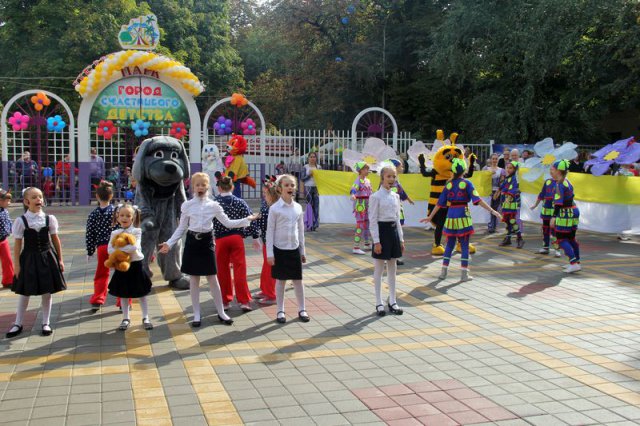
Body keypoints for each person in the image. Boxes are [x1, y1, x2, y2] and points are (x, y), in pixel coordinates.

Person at [159, 173, 258, 327]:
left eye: (203, 185)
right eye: (197, 185)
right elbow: (181, 228)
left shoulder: (214, 205)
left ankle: (221, 312)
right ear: (192, 187)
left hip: (207, 242)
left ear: (208, 187)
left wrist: (247, 220)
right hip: (192, 242)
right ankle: (197, 315)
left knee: (212, 278)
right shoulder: (187, 205)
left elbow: (228, 223)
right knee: (194, 279)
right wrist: (169, 243)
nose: (200, 187)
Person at [421, 159, 502, 281]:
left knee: (449, 245)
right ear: (464, 170)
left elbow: (439, 203)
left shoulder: (448, 185)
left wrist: (430, 217)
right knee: (464, 245)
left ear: (453, 171)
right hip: (463, 215)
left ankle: (443, 272)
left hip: (451, 216)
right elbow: (478, 200)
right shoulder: (467, 183)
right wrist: (493, 211)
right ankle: (464, 274)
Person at [6, 187, 66, 338]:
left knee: (47, 291)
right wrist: (17, 265)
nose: (38, 199)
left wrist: (60, 259)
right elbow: (18, 245)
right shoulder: (21, 221)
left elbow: (55, 240)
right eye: (34, 197)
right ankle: (18, 323)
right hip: (29, 259)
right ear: (26, 202)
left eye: (40, 196)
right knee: (24, 292)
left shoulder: (49, 219)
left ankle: (46, 322)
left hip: (47, 257)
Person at [213, 176, 261, 312]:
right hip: (236, 238)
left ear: (219, 188)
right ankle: (244, 301)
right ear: (232, 187)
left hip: (220, 239)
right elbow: (250, 218)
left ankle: (225, 301)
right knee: (240, 269)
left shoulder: (214, 203)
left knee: (222, 270)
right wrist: (255, 237)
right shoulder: (240, 202)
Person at [266, 174, 309, 324]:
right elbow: (270, 232)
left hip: (294, 248)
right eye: (286, 185)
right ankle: (280, 310)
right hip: (279, 249)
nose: (290, 187)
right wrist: (270, 253)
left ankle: (302, 309)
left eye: (292, 185)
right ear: (279, 189)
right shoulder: (274, 209)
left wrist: (302, 251)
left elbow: (301, 231)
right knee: (281, 281)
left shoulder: (298, 207)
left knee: (298, 280)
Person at [107, 204, 153, 331]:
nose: (124, 218)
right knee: (124, 293)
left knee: (142, 293)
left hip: (136, 265)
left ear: (133, 217)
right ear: (117, 217)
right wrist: (121, 250)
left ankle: (146, 317)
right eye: (122, 215)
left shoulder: (137, 231)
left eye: (128, 215)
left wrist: (119, 249)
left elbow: (134, 247)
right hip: (121, 266)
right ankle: (125, 318)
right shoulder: (115, 233)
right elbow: (110, 250)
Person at [369, 165, 405, 316]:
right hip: (381, 232)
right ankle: (379, 302)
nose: (391, 179)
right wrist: (376, 241)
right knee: (379, 269)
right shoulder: (375, 197)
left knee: (393, 268)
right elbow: (372, 220)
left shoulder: (395, 196)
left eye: (394, 176)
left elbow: (397, 219)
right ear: (382, 177)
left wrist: (401, 239)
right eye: (388, 176)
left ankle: (393, 301)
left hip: (393, 232)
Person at [86, 181, 119, 311]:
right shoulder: (117, 212)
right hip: (116, 246)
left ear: (97, 196)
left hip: (102, 247)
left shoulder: (93, 214)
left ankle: (98, 299)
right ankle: (123, 300)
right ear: (112, 196)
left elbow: (90, 234)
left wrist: (90, 251)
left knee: (101, 273)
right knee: (120, 272)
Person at [550, 160, 581, 273]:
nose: (551, 172)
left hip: (565, 213)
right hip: (573, 211)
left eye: (552, 170)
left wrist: (554, 217)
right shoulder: (567, 181)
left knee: (561, 239)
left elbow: (559, 203)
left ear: (558, 171)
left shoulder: (560, 184)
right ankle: (576, 262)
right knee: (571, 238)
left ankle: (573, 263)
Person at [253, 176, 279, 305]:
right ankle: (265, 290)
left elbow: (267, 224)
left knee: (270, 268)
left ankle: (272, 295)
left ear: (273, 195)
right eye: (263, 193)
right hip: (265, 240)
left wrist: (254, 220)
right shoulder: (266, 204)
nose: (264, 195)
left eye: (266, 193)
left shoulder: (275, 207)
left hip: (273, 242)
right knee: (266, 266)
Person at [386, 159, 414, 265]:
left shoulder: (397, 182)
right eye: (400, 166)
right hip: (390, 213)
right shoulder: (387, 183)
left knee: (397, 233)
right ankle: (388, 256)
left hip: (398, 211)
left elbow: (402, 193)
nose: (402, 168)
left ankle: (394, 256)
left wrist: (409, 199)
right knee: (392, 234)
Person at [530, 177, 562, 257]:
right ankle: (545, 247)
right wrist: (535, 205)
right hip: (546, 210)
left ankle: (557, 249)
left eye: (554, 170)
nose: (552, 172)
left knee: (554, 231)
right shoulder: (547, 181)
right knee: (545, 229)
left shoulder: (562, 182)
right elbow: (542, 194)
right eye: (551, 171)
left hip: (555, 211)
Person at [496, 161, 525, 248]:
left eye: (510, 168)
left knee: (512, 220)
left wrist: (508, 197)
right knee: (507, 221)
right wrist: (498, 191)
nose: (508, 170)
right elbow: (503, 186)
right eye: (507, 168)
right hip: (506, 203)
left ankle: (520, 238)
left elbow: (514, 189)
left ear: (514, 169)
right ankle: (508, 238)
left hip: (511, 203)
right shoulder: (507, 178)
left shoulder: (515, 178)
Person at [350, 162, 372, 254]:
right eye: (365, 169)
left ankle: (367, 243)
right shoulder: (358, 180)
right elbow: (353, 189)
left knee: (367, 224)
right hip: (360, 205)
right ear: (360, 170)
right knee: (360, 225)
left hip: (367, 204)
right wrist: (353, 194)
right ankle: (356, 247)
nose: (367, 171)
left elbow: (370, 192)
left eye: (368, 169)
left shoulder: (368, 180)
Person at [483, 153, 504, 234]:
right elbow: (483, 180)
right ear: (490, 159)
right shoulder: (486, 169)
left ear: (498, 160)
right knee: (488, 209)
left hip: (496, 192)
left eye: (496, 159)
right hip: (488, 192)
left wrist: (498, 192)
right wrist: (489, 174)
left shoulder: (501, 170)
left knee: (495, 209)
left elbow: (502, 183)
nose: (494, 160)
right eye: (493, 159)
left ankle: (493, 226)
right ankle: (490, 225)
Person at [302, 152, 321, 231]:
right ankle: (309, 224)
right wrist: (309, 175)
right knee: (309, 206)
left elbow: (321, 178)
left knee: (316, 207)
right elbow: (302, 179)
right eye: (311, 157)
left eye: (314, 157)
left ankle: (315, 224)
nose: (312, 158)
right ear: (308, 158)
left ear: (316, 158)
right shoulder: (305, 167)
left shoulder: (319, 167)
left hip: (316, 188)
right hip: (308, 188)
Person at [0, 190, 15, 288]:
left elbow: (9, 222)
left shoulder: (4, 211)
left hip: (3, 240)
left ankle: (9, 280)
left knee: (7, 260)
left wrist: (12, 229)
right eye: (7, 201)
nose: (9, 203)